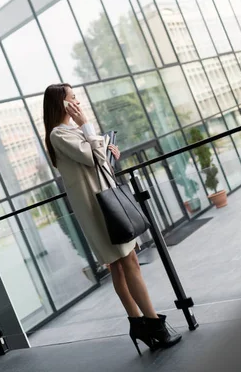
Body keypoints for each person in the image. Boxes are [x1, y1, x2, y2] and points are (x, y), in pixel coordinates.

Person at [43, 83, 181, 355]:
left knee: (120, 266)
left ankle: (138, 324)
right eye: (73, 99)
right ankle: (154, 324)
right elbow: (88, 156)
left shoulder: (71, 132)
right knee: (127, 263)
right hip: (98, 211)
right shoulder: (59, 134)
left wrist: (108, 153)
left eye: (77, 98)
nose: (78, 103)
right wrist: (88, 127)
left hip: (103, 206)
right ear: (61, 104)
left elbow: (98, 162)